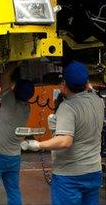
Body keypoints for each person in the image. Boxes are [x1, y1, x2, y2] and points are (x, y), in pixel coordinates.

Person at [22, 61, 104, 205]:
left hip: (70, 176)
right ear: (86, 83)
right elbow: (89, 88)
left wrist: (37, 144)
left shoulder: (68, 107)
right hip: (93, 172)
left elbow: (65, 141)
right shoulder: (98, 101)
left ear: (64, 85)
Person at [0, 62, 35, 205]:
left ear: (15, 90)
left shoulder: (10, 101)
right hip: (14, 158)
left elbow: (5, 76)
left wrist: (13, 63)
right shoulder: (26, 108)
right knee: (13, 191)